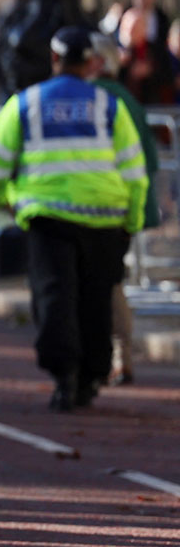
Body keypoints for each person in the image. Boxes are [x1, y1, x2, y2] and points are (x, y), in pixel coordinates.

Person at [0, 26, 148, 412]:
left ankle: (64, 377)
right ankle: (90, 377)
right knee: (95, 301)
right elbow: (135, 173)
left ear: (54, 60)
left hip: (47, 220)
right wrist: (131, 223)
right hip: (106, 222)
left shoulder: (26, 103)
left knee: (55, 298)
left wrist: (9, 202)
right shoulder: (110, 107)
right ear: (90, 63)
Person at [90, 30, 160, 386]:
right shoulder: (126, 99)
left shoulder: (102, 99)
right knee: (113, 281)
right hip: (123, 207)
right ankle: (122, 357)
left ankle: (112, 357)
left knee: (105, 284)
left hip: (101, 208)